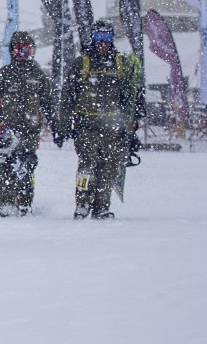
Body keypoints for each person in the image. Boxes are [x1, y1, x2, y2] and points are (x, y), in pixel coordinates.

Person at [55, 19, 142, 220]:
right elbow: (67, 96)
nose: (102, 43)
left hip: (113, 129)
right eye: (98, 38)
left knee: (108, 169)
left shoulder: (120, 64)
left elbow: (132, 95)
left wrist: (132, 121)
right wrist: (63, 125)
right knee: (87, 166)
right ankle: (83, 203)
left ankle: (102, 206)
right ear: (92, 39)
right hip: (87, 127)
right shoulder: (81, 64)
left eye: (107, 38)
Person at [0, 31, 54, 216]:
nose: (23, 55)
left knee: (27, 166)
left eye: (27, 51)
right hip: (6, 130)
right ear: (12, 51)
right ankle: (6, 203)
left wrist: (57, 126)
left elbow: (48, 104)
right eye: (19, 50)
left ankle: (24, 202)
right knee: (5, 165)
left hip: (30, 131)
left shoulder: (38, 76)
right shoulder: (3, 75)